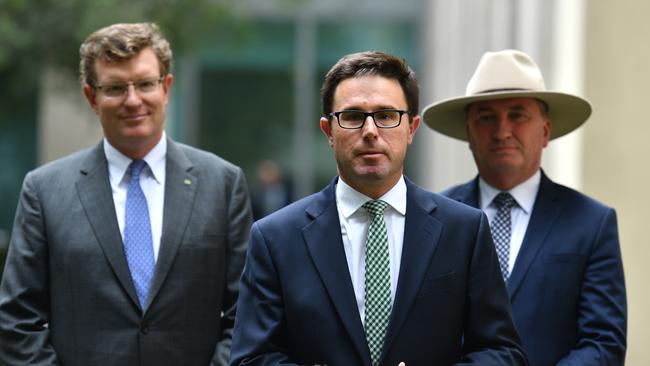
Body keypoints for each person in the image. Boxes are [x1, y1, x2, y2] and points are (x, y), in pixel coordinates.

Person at [229, 51, 526, 366]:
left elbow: (502, 353)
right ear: (329, 131)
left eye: (386, 115)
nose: (370, 130)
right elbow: (251, 358)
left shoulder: (464, 230)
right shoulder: (275, 239)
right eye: (353, 116)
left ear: (411, 128)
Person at [0, 23, 253, 366]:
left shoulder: (222, 184)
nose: (133, 101)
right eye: (116, 87)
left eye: (145, 84)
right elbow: (17, 320)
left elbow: (246, 313)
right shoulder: (44, 191)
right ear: (91, 97)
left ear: (166, 88)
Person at [422, 49, 627, 366]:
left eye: (517, 115)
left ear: (545, 132)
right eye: (487, 117)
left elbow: (604, 343)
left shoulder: (591, 223)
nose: (503, 131)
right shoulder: (436, 220)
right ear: (469, 133)